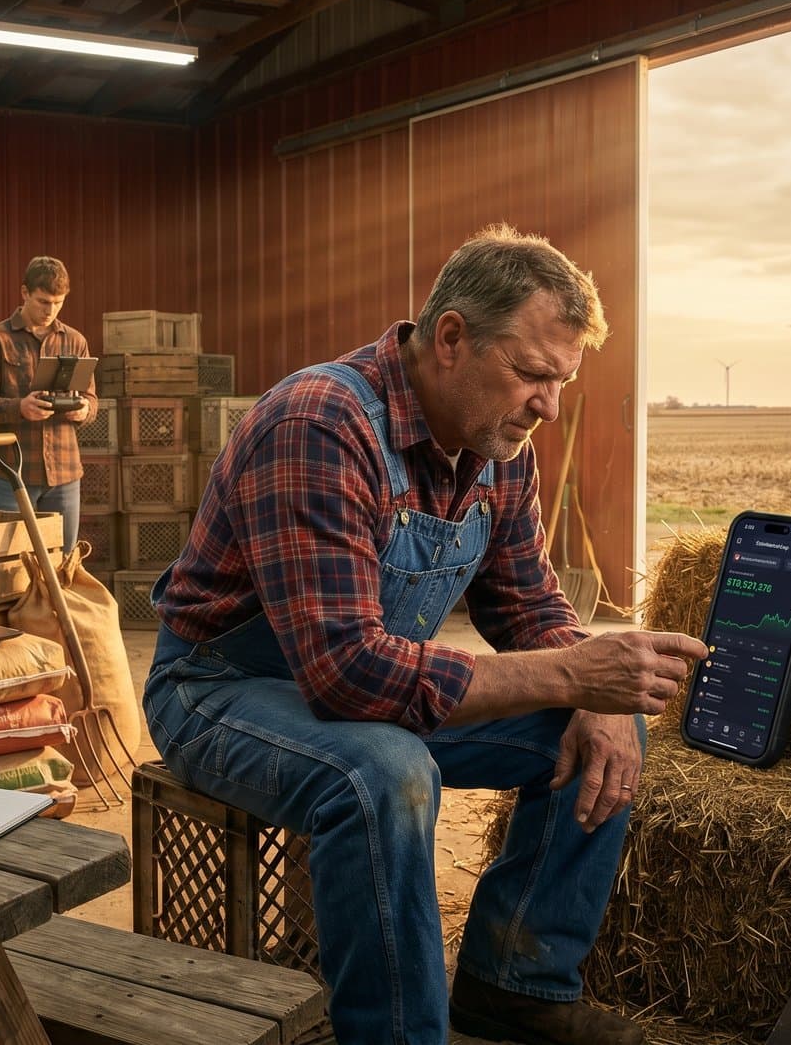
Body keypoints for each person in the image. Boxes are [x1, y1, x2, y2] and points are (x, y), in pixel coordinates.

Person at [142, 224, 707, 1045]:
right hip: (218, 688)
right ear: (451, 338)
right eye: (532, 374)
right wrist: (573, 673)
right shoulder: (322, 423)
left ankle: (514, 979)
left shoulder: (500, 448)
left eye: (562, 381)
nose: (548, 406)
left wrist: (598, 692)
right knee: (385, 773)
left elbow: (527, 604)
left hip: (360, 684)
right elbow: (345, 673)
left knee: (601, 729)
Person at [0, 256, 98, 550]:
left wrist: (85, 410)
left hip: (65, 473)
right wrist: (19, 408)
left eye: (58, 302)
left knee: (63, 563)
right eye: (42, 301)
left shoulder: (75, 341)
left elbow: (91, 398)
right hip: (13, 474)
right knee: (9, 563)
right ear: (24, 292)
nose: (50, 310)